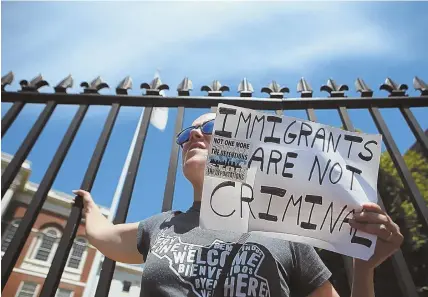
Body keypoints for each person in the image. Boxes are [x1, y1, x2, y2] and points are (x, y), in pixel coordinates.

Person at [74, 112, 403, 297]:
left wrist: (364, 270)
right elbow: (103, 235)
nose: (193, 137)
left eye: (211, 128)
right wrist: (89, 208)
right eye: (186, 134)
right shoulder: (160, 226)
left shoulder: (286, 235)